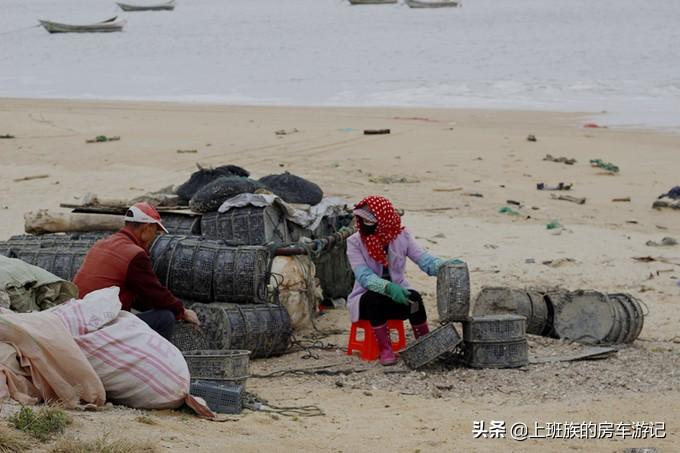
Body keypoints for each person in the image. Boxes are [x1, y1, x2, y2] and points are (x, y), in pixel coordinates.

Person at [346, 195, 464, 366]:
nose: (364, 225)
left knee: (415, 299)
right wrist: (388, 288)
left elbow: (425, 261)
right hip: (367, 303)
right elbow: (364, 277)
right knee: (373, 298)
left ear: (383, 221)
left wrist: (444, 265)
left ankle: (425, 343)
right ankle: (385, 348)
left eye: (369, 221)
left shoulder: (402, 236)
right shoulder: (354, 242)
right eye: (362, 219)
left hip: (398, 298)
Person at [73, 202, 199, 340]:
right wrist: (182, 311)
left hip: (79, 318)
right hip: (101, 327)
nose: (154, 237)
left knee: (145, 303)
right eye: (155, 232)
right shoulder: (134, 254)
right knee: (165, 317)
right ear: (147, 228)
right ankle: (156, 360)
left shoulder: (101, 244)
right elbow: (155, 293)